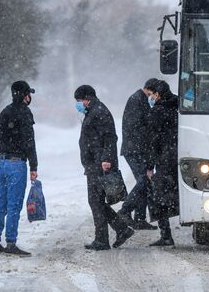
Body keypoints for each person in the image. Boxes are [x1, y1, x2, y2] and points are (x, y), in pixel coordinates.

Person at [74, 85, 134, 250]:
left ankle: (103, 238)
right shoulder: (92, 111)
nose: (78, 104)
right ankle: (120, 230)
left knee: (95, 200)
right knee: (97, 201)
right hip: (94, 163)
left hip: (100, 164)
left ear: (87, 98)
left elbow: (109, 137)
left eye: (79, 101)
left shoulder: (99, 112)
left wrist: (106, 159)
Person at [0, 80, 38, 257]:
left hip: (2, 163)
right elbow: (29, 142)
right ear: (25, 95)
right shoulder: (25, 113)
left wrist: (9, 136)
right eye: (29, 94)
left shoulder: (5, 111)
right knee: (14, 205)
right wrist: (34, 165)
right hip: (17, 164)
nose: (29, 97)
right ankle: (11, 243)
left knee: (0, 203)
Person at [117, 78, 159, 230]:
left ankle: (140, 218)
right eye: (155, 94)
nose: (155, 97)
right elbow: (138, 128)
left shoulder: (140, 99)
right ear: (149, 90)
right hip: (135, 150)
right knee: (144, 181)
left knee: (144, 183)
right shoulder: (137, 100)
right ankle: (125, 210)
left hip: (137, 148)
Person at [147, 80, 179, 246]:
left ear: (157, 95)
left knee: (159, 197)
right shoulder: (179, 106)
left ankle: (166, 235)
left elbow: (153, 141)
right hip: (182, 156)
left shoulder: (157, 112)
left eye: (151, 94)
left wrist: (149, 166)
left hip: (164, 159)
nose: (150, 97)